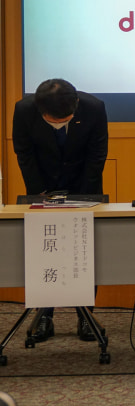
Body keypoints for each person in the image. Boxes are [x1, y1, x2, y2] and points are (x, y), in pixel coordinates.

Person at [12, 79, 109, 342]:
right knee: (45, 249)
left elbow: (97, 154)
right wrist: (38, 192)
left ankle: (86, 315)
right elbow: (24, 153)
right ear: (39, 109)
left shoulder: (94, 108)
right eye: (52, 120)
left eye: (64, 120)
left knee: (84, 250)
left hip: (84, 185)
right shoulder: (23, 110)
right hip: (42, 187)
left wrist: (83, 198)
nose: (58, 123)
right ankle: (44, 315)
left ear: (75, 105)